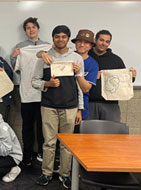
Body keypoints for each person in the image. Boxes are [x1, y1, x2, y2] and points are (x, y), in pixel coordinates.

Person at [32, 25, 84, 189]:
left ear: (68, 39)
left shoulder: (76, 58)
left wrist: (80, 108)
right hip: (49, 106)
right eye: (57, 36)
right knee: (49, 142)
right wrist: (47, 83)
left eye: (63, 37)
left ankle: (65, 174)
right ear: (53, 38)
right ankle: (46, 173)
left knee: (67, 144)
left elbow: (79, 86)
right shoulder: (45, 58)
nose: (60, 39)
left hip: (70, 107)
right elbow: (34, 81)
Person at [10, 17, 51, 165]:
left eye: (33, 27)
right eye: (28, 28)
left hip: (44, 93)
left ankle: (41, 151)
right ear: (25, 31)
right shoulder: (20, 47)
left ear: (38, 29)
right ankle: (27, 153)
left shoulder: (48, 46)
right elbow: (16, 68)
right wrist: (14, 57)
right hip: (27, 92)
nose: (31, 30)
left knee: (42, 125)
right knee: (27, 125)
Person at [88, 30, 137, 122]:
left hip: (111, 105)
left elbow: (123, 81)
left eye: (107, 42)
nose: (104, 44)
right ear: (95, 40)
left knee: (112, 133)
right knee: (87, 133)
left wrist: (132, 77)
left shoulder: (116, 60)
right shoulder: (85, 56)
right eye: (101, 40)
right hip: (89, 103)